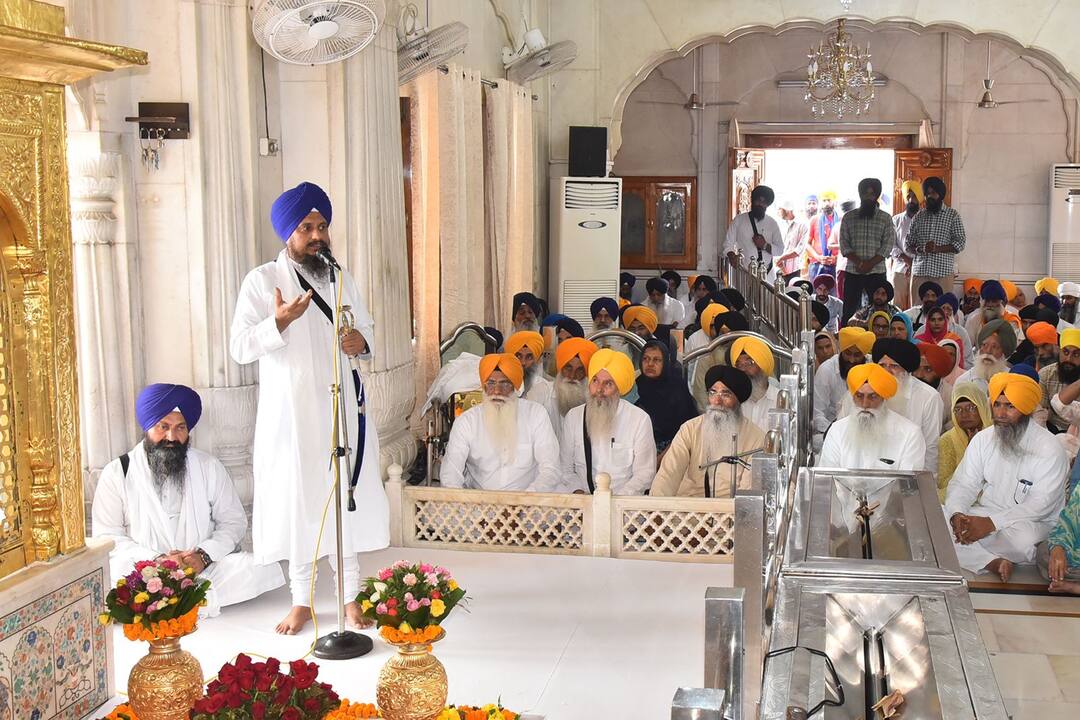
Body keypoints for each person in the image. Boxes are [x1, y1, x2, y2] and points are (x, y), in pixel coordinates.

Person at [229, 182, 387, 635]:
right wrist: (278, 322)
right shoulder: (262, 281)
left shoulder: (340, 277)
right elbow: (240, 346)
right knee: (300, 499)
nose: (317, 235)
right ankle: (301, 601)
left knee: (343, 498)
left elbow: (365, 328)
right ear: (288, 233)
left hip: (341, 410)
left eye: (322, 226)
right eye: (306, 228)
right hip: (292, 417)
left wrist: (362, 342)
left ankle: (350, 596)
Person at [91, 384, 286, 617]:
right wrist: (157, 561)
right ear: (147, 427)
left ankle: (166, 603)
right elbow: (107, 536)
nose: (172, 437)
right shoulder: (117, 472)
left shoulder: (208, 466)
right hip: (145, 573)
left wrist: (202, 556)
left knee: (255, 567)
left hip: (200, 571)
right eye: (163, 427)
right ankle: (188, 600)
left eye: (180, 428)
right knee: (112, 577)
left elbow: (233, 522)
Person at [945, 370, 1068, 581]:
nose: (1001, 414)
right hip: (986, 513)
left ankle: (972, 550)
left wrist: (991, 524)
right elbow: (964, 483)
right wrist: (958, 514)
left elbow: (1041, 504)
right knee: (939, 521)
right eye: (997, 405)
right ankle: (990, 561)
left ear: (1026, 409)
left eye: (1010, 406)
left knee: (1024, 541)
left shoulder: (1050, 447)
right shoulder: (983, 440)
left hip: (1030, 522)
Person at [440, 354, 562, 492]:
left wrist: (524, 499)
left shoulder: (536, 414)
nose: (497, 391)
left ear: (516, 386)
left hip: (527, 501)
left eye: (505, 383)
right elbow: (450, 475)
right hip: (479, 502)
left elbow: (550, 469)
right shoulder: (467, 422)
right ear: (483, 386)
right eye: (491, 383)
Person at [650, 365, 766, 498]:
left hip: (728, 508)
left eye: (726, 394)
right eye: (713, 392)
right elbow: (668, 474)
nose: (717, 401)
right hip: (689, 505)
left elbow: (747, 493)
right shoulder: (690, 429)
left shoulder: (756, 439)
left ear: (738, 400)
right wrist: (656, 506)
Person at [561, 349, 656, 495]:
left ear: (619, 388)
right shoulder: (574, 417)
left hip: (624, 503)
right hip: (583, 501)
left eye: (608, 384)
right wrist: (579, 493)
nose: (599, 389)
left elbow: (645, 474)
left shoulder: (639, 420)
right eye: (595, 381)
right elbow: (565, 468)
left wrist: (615, 501)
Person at [819, 363, 926, 471]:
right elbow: (827, 476)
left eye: (873, 397)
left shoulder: (910, 434)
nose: (865, 404)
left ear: (884, 399)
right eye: (859, 396)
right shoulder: (837, 430)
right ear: (852, 397)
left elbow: (908, 481)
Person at [872, 338, 944, 472]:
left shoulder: (929, 397)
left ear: (906, 370)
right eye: (882, 365)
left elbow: (931, 448)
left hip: (911, 472)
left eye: (894, 366)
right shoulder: (869, 392)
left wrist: (925, 482)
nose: (886, 371)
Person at [839, 178, 894, 324]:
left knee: (878, 311)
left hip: (877, 272)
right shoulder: (849, 217)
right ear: (860, 195)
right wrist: (859, 263)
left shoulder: (885, 218)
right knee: (849, 310)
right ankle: (846, 337)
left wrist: (869, 264)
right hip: (853, 271)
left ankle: (877, 337)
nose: (868, 197)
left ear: (877, 195)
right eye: (865, 194)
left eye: (872, 194)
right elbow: (844, 244)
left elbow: (888, 245)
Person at [905, 176, 966, 303]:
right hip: (920, 273)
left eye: (933, 193)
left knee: (943, 310)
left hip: (943, 274)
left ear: (940, 194)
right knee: (917, 311)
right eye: (927, 194)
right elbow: (908, 245)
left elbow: (960, 243)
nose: (929, 197)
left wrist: (937, 248)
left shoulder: (952, 215)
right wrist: (921, 249)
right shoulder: (919, 216)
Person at [812, 327, 875, 451]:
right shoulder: (826, 370)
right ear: (841, 350)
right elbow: (817, 414)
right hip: (832, 430)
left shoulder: (872, 367)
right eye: (847, 353)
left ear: (864, 355)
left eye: (857, 355)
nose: (851, 359)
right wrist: (838, 432)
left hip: (867, 431)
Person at [635, 339, 699, 454]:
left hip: (673, 450)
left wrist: (661, 459)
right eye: (646, 359)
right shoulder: (635, 385)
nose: (650, 364)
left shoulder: (677, 388)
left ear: (665, 362)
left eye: (657, 360)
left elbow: (685, 431)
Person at [937, 383, 992, 502]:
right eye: (957, 409)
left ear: (982, 407)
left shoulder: (997, 436)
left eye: (971, 408)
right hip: (960, 495)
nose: (964, 414)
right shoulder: (947, 440)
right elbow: (942, 483)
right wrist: (969, 455)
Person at [724, 184, 782, 275]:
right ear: (753, 200)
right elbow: (728, 244)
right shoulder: (739, 220)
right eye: (758, 200)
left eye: (764, 202)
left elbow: (780, 249)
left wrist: (765, 245)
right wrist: (732, 256)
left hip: (767, 274)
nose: (760, 204)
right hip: (744, 274)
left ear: (767, 204)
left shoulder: (772, 223)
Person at [954, 319, 1016, 395]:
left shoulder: (1013, 380)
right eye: (984, 345)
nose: (988, 351)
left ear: (1004, 352)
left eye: (994, 347)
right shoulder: (964, 381)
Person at [730, 336, 779, 430]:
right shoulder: (732, 402)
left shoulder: (779, 400)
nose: (743, 369)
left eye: (750, 363)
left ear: (763, 365)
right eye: (738, 365)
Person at [1038, 486, 1080, 594]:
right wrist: (1058, 548)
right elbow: (1067, 522)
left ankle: (1075, 587)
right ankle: (1063, 574)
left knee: (1059, 569)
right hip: (1076, 556)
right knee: (1044, 550)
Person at [1039, 328, 1080, 434]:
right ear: (1059, 351)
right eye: (1065, 352)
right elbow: (1040, 412)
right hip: (1048, 430)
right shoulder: (1046, 374)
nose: (1069, 359)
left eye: (1076, 354)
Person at [890, 180, 922, 310]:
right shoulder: (896, 220)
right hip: (900, 270)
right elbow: (891, 245)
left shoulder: (925, 220)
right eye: (908, 196)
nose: (911, 200)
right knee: (898, 307)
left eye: (914, 196)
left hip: (920, 269)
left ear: (920, 198)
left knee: (917, 307)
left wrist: (914, 262)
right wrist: (905, 258)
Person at [505, 330, 552, 408]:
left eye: (529, 357)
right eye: (518, 356)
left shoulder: (546, 389)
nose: (523, 362)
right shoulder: (497, 386)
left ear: (538, 359)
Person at [916, 341, 956, 425]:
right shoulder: (903, 389)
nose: (919, 375)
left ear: (940, 372)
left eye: (928, 369)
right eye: (916, 368)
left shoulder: (950, 395)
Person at [776, 198, 810, 284]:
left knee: (792, 291)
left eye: (780, 209)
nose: (778, 212)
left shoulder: (802, 225)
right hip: (779, 269)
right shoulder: (782, 224)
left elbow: (799, 250)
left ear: (787, 210)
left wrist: (781, 258)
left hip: (793, 271)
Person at [807, 190, 839, 280]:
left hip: (836, 264)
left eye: (829, 200)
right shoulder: (814, 219)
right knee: (815, 289)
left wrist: (836, 258)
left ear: (835, 202)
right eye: (824, 201)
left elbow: (846, 244)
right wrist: (818, 257)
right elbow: (807, 244)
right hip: (816, 264)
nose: (827, 203)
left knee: (835, 290)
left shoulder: (841, 220)